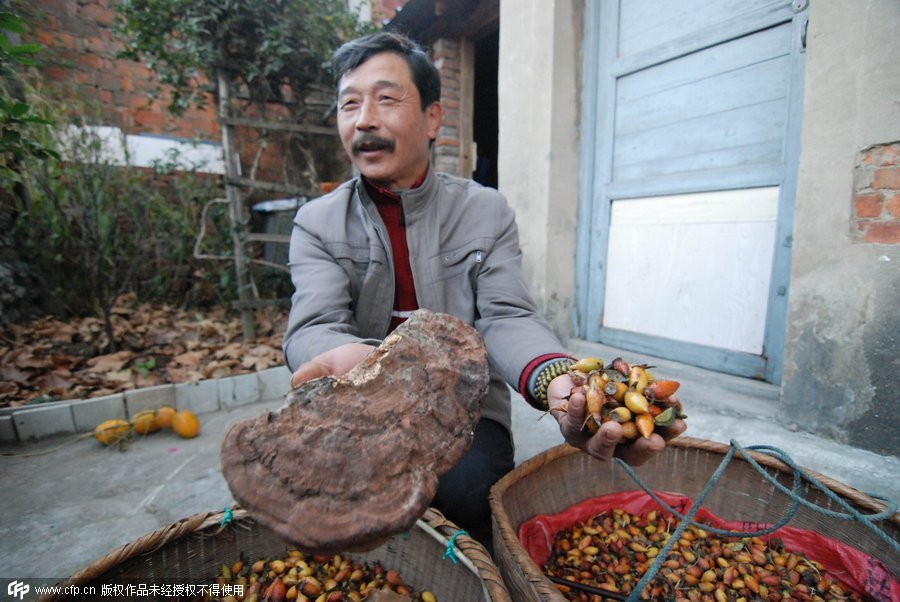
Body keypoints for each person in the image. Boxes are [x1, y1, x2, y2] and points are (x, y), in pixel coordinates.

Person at [282, 31, 686, 548]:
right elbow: (313, 325)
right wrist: (343, 357)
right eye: (349, 105)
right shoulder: (317, 222)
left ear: (433, 117)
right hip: (356, 407)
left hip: (463, 408)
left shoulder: (484, 210)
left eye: (386, 98)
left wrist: (555, 379)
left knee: (473, 493)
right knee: (323, 518)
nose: (364, 120)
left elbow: (506, 315)